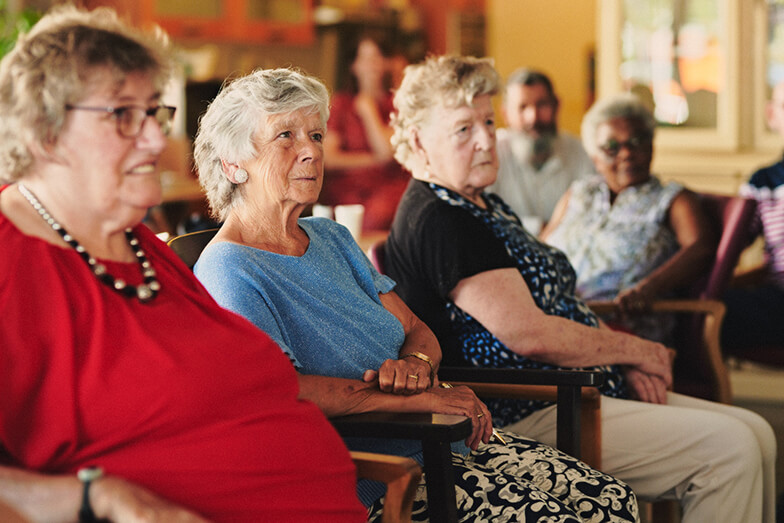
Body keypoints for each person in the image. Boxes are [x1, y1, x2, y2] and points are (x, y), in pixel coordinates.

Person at [192, 66, 639, 523]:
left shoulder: (331, 238)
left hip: (441, 442)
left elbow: (415, 329)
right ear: (233, 163)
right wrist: (418, 400)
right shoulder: (230, 268)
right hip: (381, 477)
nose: (310, 151)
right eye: (286, 136)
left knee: (613, 501)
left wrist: (417, 365)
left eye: (317, 135)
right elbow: (281, 393)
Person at [0, 6, 366, 522]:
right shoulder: (11, 260)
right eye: (123, 115)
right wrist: (97, 499)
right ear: (45, 134)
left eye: (154, 111)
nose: (154, 138)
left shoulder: (138, 246)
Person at [384, 54, 777, 523]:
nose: (488, 140)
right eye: (464, 129)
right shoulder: (441, 218)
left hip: (575, 387)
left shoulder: (479, 204)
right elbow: (529, 334)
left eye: (489, 122)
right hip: (528, 407)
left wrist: (615, 358)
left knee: (757, 432)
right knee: (730, 451)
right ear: (419, 141)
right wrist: (634, 350)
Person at [540, 93, 716, 345]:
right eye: (612, 147)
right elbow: (540, 246)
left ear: (652, 144)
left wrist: (648, 289)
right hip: (553, 320)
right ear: (594, 157)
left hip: (621, 328)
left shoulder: (671, 199)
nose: (626, 154)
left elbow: (701, 248)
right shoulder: (578, 193)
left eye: (637, 141)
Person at [320, 36, 410, 232]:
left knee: (379, 215)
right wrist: (373, 160)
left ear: (387, 63)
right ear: (354, 66)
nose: (372, 65)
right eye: (365, 59)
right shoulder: (341, 104)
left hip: (388, 189)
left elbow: (386, 151)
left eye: (377, 58)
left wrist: (369, 111)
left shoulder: (397, 104)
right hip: (347, 191)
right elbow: (329, 158)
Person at [487, 68, 594, 230]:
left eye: (542, 105)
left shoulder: (581, 152)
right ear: (505, 114)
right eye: (522, 107)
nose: (533, 117)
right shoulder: (490, 154)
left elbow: (591, 217)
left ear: (556, 106)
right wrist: (542, 228)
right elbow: (485, 217)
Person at [721, 80, 784, 355]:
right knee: (710, 310)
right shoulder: (764, 182)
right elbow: (729, 247)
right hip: (778, 301)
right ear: (772, 115)